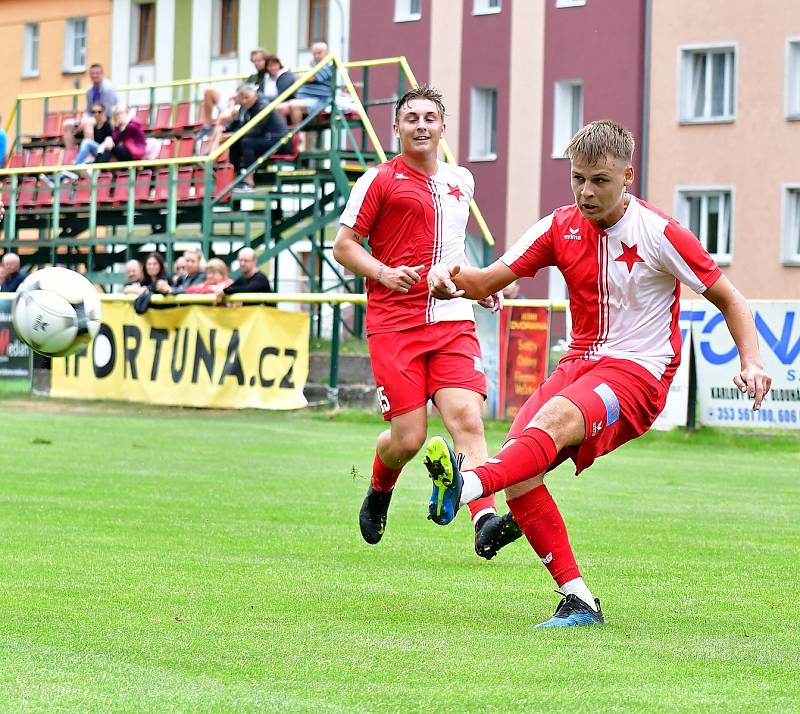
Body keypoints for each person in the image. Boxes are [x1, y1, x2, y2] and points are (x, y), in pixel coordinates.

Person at [422, 119, 773, 627]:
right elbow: (484, 280)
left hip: (639, 375)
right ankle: (579, 599)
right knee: (522, 465)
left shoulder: (660, 232)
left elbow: (730, 298)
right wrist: (446, 279)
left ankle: (470, 487)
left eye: (600, 181)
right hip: (579, 363)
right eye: (578, 178)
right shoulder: (557, 226)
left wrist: (752, 362)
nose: (586, 192)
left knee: (554, 420)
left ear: (628, 175)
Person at [332, 85, 522, 558]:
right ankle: (379, 487)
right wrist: (383, 272)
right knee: (410, 438)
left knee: (467, 419)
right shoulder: (378, 180)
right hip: (394, 322)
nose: (420, 125)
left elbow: (460, 251)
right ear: (395, 128)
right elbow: (344, 246)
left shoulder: (462, 181)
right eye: (411, 118)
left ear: (442, 127)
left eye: (429, 118)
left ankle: (483, 518)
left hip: (452, 317)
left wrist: (484, 284)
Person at [221, 84, 288, 191]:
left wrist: (233, 135)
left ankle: (249, 182)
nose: (244, 101)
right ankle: (235, 178)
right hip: (262, 139)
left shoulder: (263, 106)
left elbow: (256, 131)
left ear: (254, 96)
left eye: (246, 97)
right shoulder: (244, 108)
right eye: (241, 98)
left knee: (247, 142)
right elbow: (239, 124)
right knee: (234, 143)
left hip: (278, 140)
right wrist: (225, 130)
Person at [198, 48, 270, 137]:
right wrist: (232, 105)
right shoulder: (252, 77)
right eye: (254, 61)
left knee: (222, 118)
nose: (256, 63)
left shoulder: (269, 78)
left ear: (266, 60)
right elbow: (236, 94)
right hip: (235, 104)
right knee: (209, 91)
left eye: (259, 60)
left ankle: (211, 142)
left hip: (244, 107)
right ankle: (207, 127)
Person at [63, 63, 118, 149]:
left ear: (102, 74)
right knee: (67, 124)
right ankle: (70, 154)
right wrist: (84, 119)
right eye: (92, 73)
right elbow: (88, 110)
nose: (94, 75)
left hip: (105, 119)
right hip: (91, 119)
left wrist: (88, 120)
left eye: (97, 73)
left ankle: (90, 154)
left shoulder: (108, 89)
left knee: (88, 123)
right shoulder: (89, 91)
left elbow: (107, 112)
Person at [283, 42, 334, 125]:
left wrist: (299, 77)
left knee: (294, 105)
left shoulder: (328, 65)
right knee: (279, 108)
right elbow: (306, 77)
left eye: (319, 53)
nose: (316, 56)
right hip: (305, 99)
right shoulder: (315, 66)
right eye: (314, 54)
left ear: (326, 53)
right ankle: (283, 135)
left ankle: (296, 135)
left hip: (320, 100)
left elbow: (310, 78)